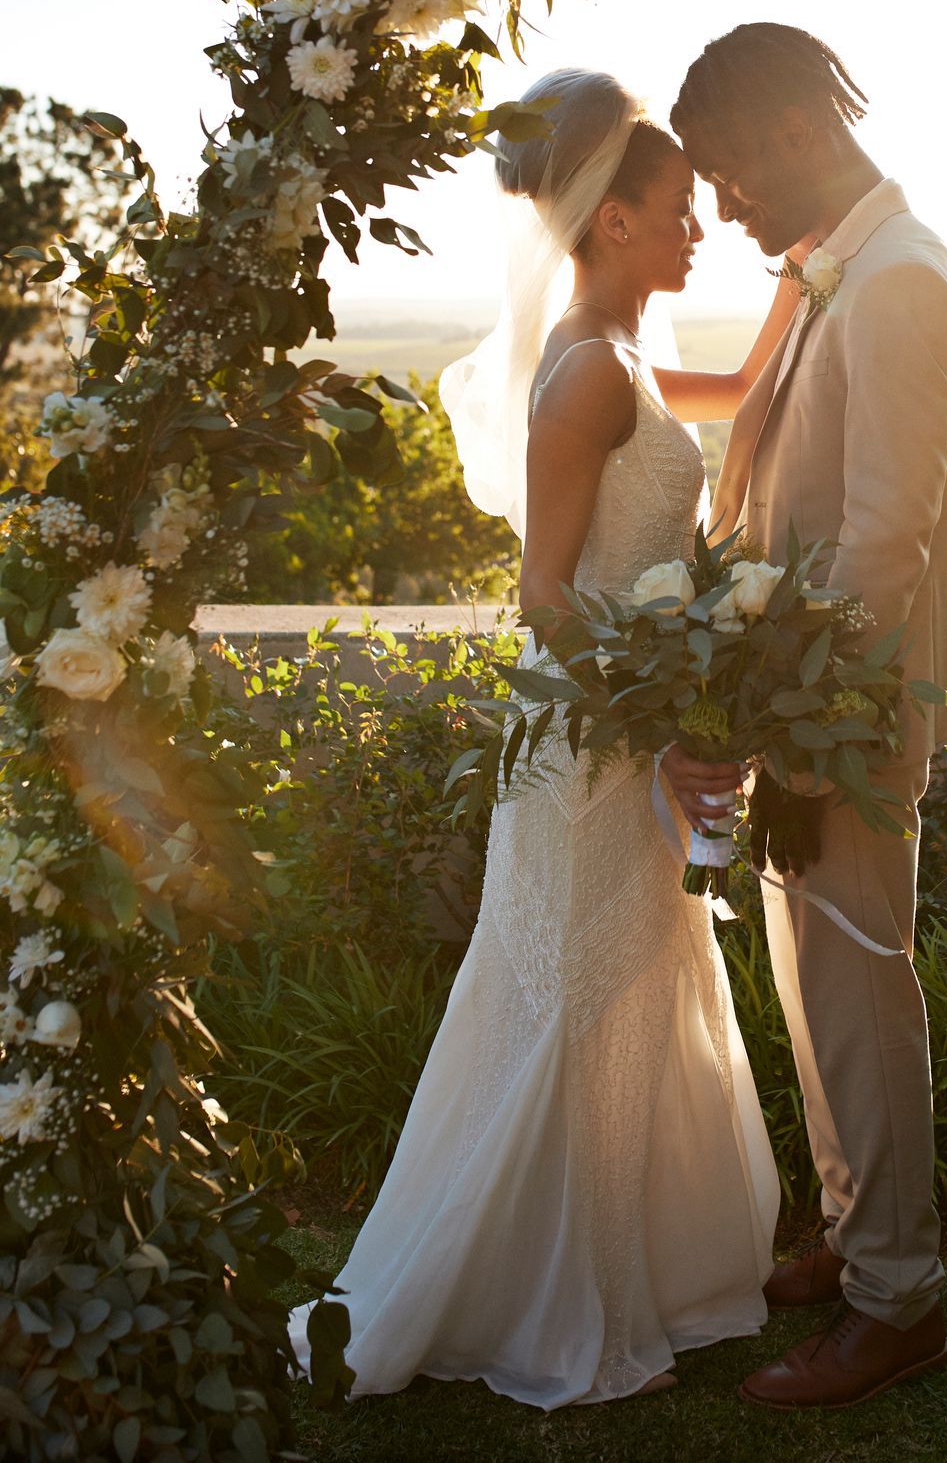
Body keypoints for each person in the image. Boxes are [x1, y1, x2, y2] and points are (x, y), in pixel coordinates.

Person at [288, 68, 793, 1410]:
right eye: (678, 209)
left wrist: (807, 258)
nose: (698, 230)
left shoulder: (627, 347)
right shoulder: (581, 371)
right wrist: (672, 717)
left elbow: (742, 380)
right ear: (611, 220)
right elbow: (544, 593)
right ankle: (533, 1294)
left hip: (630, 721)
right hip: (587, 741)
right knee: (570, 1001)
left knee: (635, 986)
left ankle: (649, 1267)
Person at [663, 21, 947, 1410]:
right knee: (815, 990)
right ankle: (855, 1234)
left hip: (848, 719)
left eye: (730, 173)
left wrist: (785, 716)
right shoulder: (836, 271)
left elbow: (880, 548)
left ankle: (896, 1301)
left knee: (858, 994)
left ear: (798, 131)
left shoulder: (900, 280)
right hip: (804, 706)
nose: (725, 204)